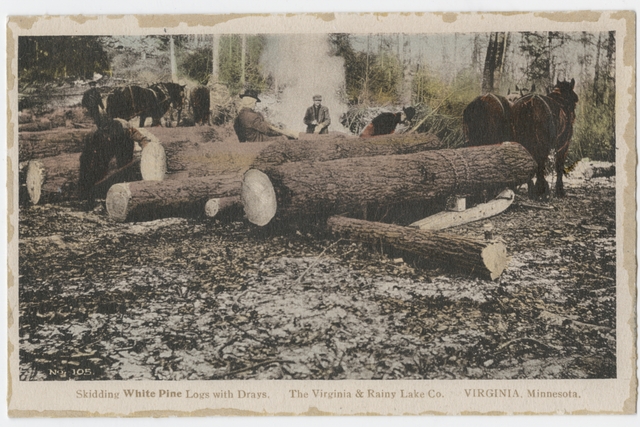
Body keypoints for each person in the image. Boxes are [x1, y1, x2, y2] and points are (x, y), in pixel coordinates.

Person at [233, 89, 297, 142]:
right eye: (255, 103)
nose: (255, 105)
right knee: (284, 138)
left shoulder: (240, 115)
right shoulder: (253, 116)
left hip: (248, 141)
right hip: (258, 142)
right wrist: (283, 131)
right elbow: (268, 130)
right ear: (252, 102)